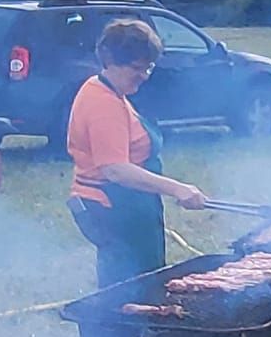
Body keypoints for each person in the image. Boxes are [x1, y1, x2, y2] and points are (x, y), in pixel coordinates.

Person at [67, 18, 207, 287]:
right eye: (137, 68)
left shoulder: (108, 91)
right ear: (110, 60)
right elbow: (115, 169)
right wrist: (177, 188)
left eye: (148, 68)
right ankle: (116, 331)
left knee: (140, 285)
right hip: (114, 208)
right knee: (127, 289)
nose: (144, 75)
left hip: (129, 207)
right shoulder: (102, 103)